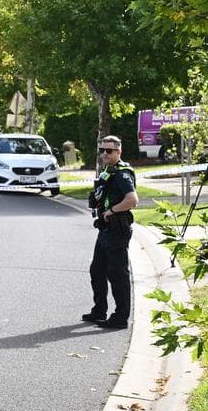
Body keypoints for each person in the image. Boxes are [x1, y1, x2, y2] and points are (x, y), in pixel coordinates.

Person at [83, 135, 138, 329]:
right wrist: (97, 200)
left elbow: (132, 199)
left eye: (109, 151)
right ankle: (99, 310)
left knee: (117, 275)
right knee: (97, 270)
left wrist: (111, 211)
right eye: (102, 150)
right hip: (105, 229)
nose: (104, 154)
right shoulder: (108, 171)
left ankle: (120, 318)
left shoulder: (122, 174)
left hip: (117, 229)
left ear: (119, 152)